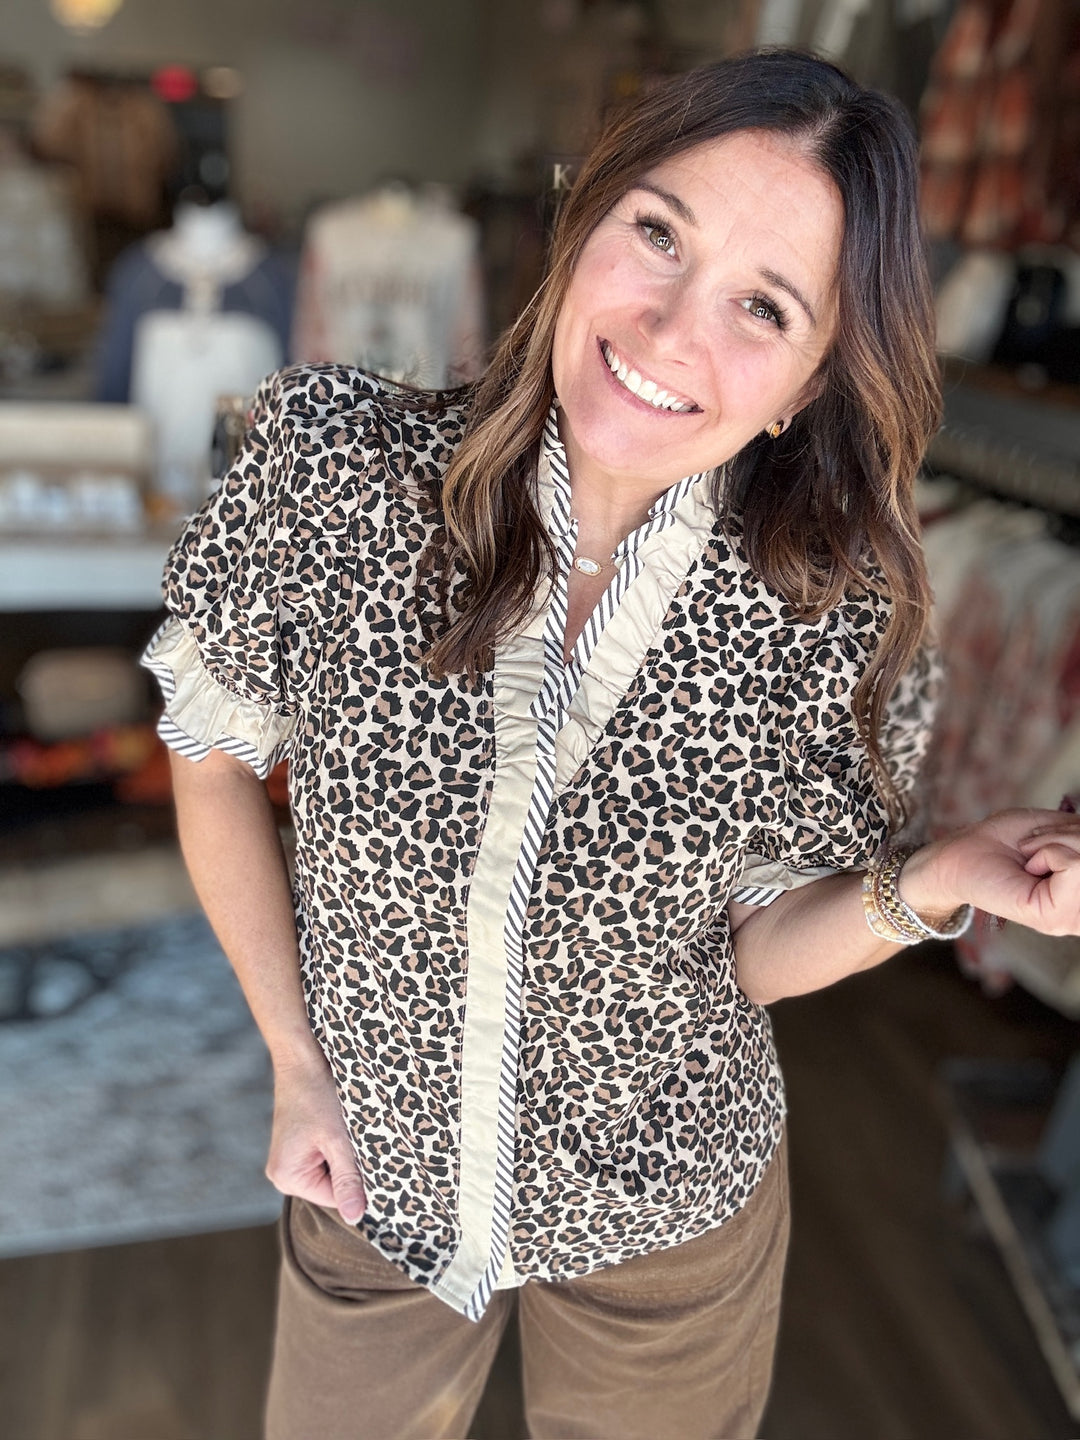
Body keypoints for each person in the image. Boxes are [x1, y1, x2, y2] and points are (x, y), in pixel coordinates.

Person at [143, 48, 1080, 1440]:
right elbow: (210, 756)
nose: (667, 331)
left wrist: (936, 881)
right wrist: (293, 1062)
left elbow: (753, 953)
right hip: (367, 1174)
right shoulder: (335, 466)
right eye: (658, 232)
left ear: (813, 379)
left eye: (763, 306)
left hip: (670, 1216)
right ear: (583, 220)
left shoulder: (839, 613)